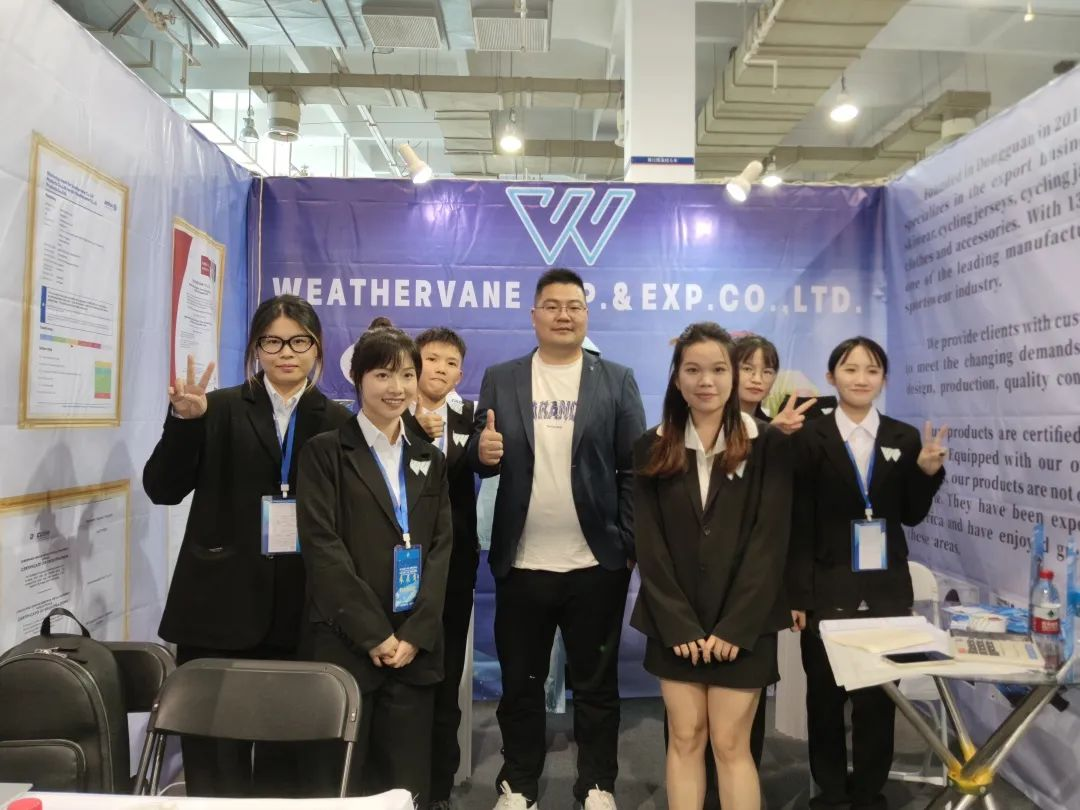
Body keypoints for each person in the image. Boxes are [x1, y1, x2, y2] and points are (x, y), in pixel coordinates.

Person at [143, 294, 352, 797]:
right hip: (219, 612)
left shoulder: (338, 422)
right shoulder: (215, 407)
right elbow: (162, 489)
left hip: (301, 615)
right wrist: (184, 424)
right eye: (272, 342)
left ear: (317, 348)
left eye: (299, 341)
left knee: (289, 771)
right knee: (217, 770)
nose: (286, 353)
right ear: (256, 348)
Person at [466, 268, 646, 810]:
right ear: (534, 315)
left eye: (574, 306)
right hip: (522, 563)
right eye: (552, 305)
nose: (563, 315)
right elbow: (479, 446)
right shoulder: (502, 377)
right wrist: (481, 453)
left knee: (596, 685)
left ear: (586, 314)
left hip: (595, 564)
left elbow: (633, 469)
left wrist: (627, 545)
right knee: (520, 685)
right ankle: (519, 784)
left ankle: (596, 784)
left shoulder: (615, 379)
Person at [632, 322, 792, 810]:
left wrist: (735, 626)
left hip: (744, 625)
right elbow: (650, 545)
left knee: (729, 743)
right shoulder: (652, 446)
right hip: (675, 624)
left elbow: (769, 544)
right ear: (676, 378)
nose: (707, 381)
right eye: (693, 370)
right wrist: (678, 623)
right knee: (685, 737)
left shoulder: (768, 444)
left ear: (733, 376)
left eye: (719, 369)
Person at [787, 336, 947, 810]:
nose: (861, 379)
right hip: (825, 587)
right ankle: (831, 794)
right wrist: (797, 594)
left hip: (885, 591)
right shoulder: (808, 435)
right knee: (825, 699)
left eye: (872, 370)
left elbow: (911, 515)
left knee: (878, 701)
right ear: (831, 376)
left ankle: (868, 793)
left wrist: (926, 473)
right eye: (850, 369)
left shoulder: (904, 437)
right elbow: (797, 521)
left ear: (884, 380)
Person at [296, 327, 453, 804]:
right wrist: (374, 635)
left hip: (413, 648)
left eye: (406, 375)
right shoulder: (325, 452)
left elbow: (441, 548)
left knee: (405, 784)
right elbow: (323, 548)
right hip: (346, 643)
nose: (396, 388)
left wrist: (415, 633)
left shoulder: (428, 457)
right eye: (383, 375)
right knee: (342, 783)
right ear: (358, 379)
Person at [402, 327, 479, 810]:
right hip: (401, 565)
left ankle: (440, 789)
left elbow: (485, 464)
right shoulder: (391, 413)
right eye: (432, 359)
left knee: (446, 679)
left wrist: (488, 456)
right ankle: (400, 784)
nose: (441, 370)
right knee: (405, 677)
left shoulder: (470, 417)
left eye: (451, 363)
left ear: (460, 374)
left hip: (455, 565)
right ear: (415, 363)